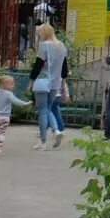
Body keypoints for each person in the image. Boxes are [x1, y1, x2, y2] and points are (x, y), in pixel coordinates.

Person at [30, 21, 68, 150]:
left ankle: (43, 142)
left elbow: (38, 65)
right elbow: (64, 68)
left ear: (43, 33)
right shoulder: (61, 46)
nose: (38, 36)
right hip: (55, 84)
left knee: (42, 111)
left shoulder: (44, 46)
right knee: (49, 108)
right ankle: (56, 130)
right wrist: (62, 83)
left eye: (39, 33)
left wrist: (31, 81)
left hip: (42, 81)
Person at [0, 74, 29, 154]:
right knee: (2, 132)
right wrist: (24, 103)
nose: (13, 85)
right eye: (12, 83)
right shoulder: (9, 94)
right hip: (5, 117)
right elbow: (16, 101)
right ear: (7, 85)